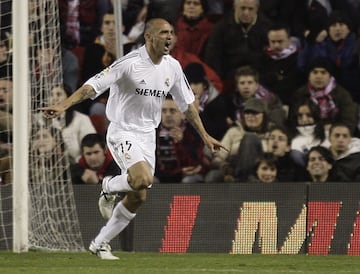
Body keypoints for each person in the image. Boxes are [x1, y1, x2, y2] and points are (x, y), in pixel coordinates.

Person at [40, 18, 226, 260]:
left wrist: (205, 135)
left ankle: (100, 243)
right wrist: (64, 104)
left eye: (171, 32)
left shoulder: (173, 67)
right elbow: (91, 87)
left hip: (148, 135)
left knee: (139, 194)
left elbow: (188, 105)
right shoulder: (129, 63)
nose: (169, 37)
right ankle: (108, 186)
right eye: (163, 33)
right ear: (148, 37)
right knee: (143, 178)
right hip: (122, 131)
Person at [204, 0, 271, 89]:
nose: (246, 12)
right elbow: (213, 56)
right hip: (228, 77)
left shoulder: (267, 27)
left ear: (257, 9)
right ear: (235, 8)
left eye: (250, 9)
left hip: (259, 77)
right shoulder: (221, 27)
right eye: (242, 8)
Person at [293, 57, 358, 134]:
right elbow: (293, 120)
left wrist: (333, 128)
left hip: (334, 134)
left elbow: (349, 122)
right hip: (306, 133)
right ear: (309, 76)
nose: (319, 76)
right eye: (315, 72)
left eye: (323, 72)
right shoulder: (300, 93)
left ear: (330, 76)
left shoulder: (342, 94)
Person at [155, 96, 209, 183]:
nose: (168, 115)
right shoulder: (153, 133)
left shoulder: (193, 132)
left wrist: (180, 143)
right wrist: (175, 173)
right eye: (164, 111)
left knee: (188, 181)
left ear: (183, 113)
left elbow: (193, 164)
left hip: (186, 176)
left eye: (172, 111)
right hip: (161, 176)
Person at [259, 23, 304, 106]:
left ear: (289, 40)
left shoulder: (299, 58)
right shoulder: (262, 58)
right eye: (273, 42)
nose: (276, 45)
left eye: (280, 41)